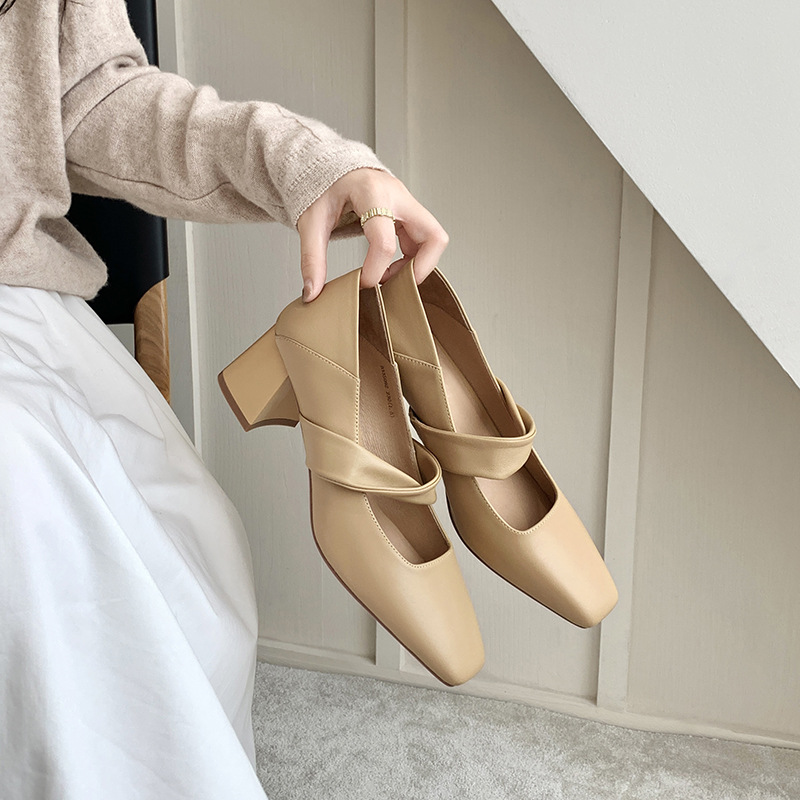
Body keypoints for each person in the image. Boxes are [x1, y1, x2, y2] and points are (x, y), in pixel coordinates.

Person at [0, 0, 448, 797]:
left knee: (187, 568)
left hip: (13, 303)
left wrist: (304, 163)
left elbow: (92, 96)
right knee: (35, 536)